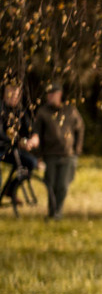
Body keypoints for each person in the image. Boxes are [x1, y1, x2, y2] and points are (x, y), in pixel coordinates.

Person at [30, 81, 84, 219]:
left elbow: (80, 129)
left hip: (68, 154)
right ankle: (52, 212)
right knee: (51, 185)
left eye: (52, 94)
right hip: (50, 154)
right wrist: (38, 155)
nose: (49, 97)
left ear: (59, 94)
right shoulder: (43, 112)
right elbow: (37, 132)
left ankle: (58, 212)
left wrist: (77, 151)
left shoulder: (70, 110)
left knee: (63, 186)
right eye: (48, 94)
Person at [1, 77, 40, 201]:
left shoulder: (19, 111)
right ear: (5, 94)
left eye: (16, 95)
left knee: (31, 163)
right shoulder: (1, 109)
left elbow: (30, 128)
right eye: (11, 95)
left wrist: (34, 138)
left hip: (11, 149)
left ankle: (10, 189)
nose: (14, 98)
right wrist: (20, 142)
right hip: (1, 147)